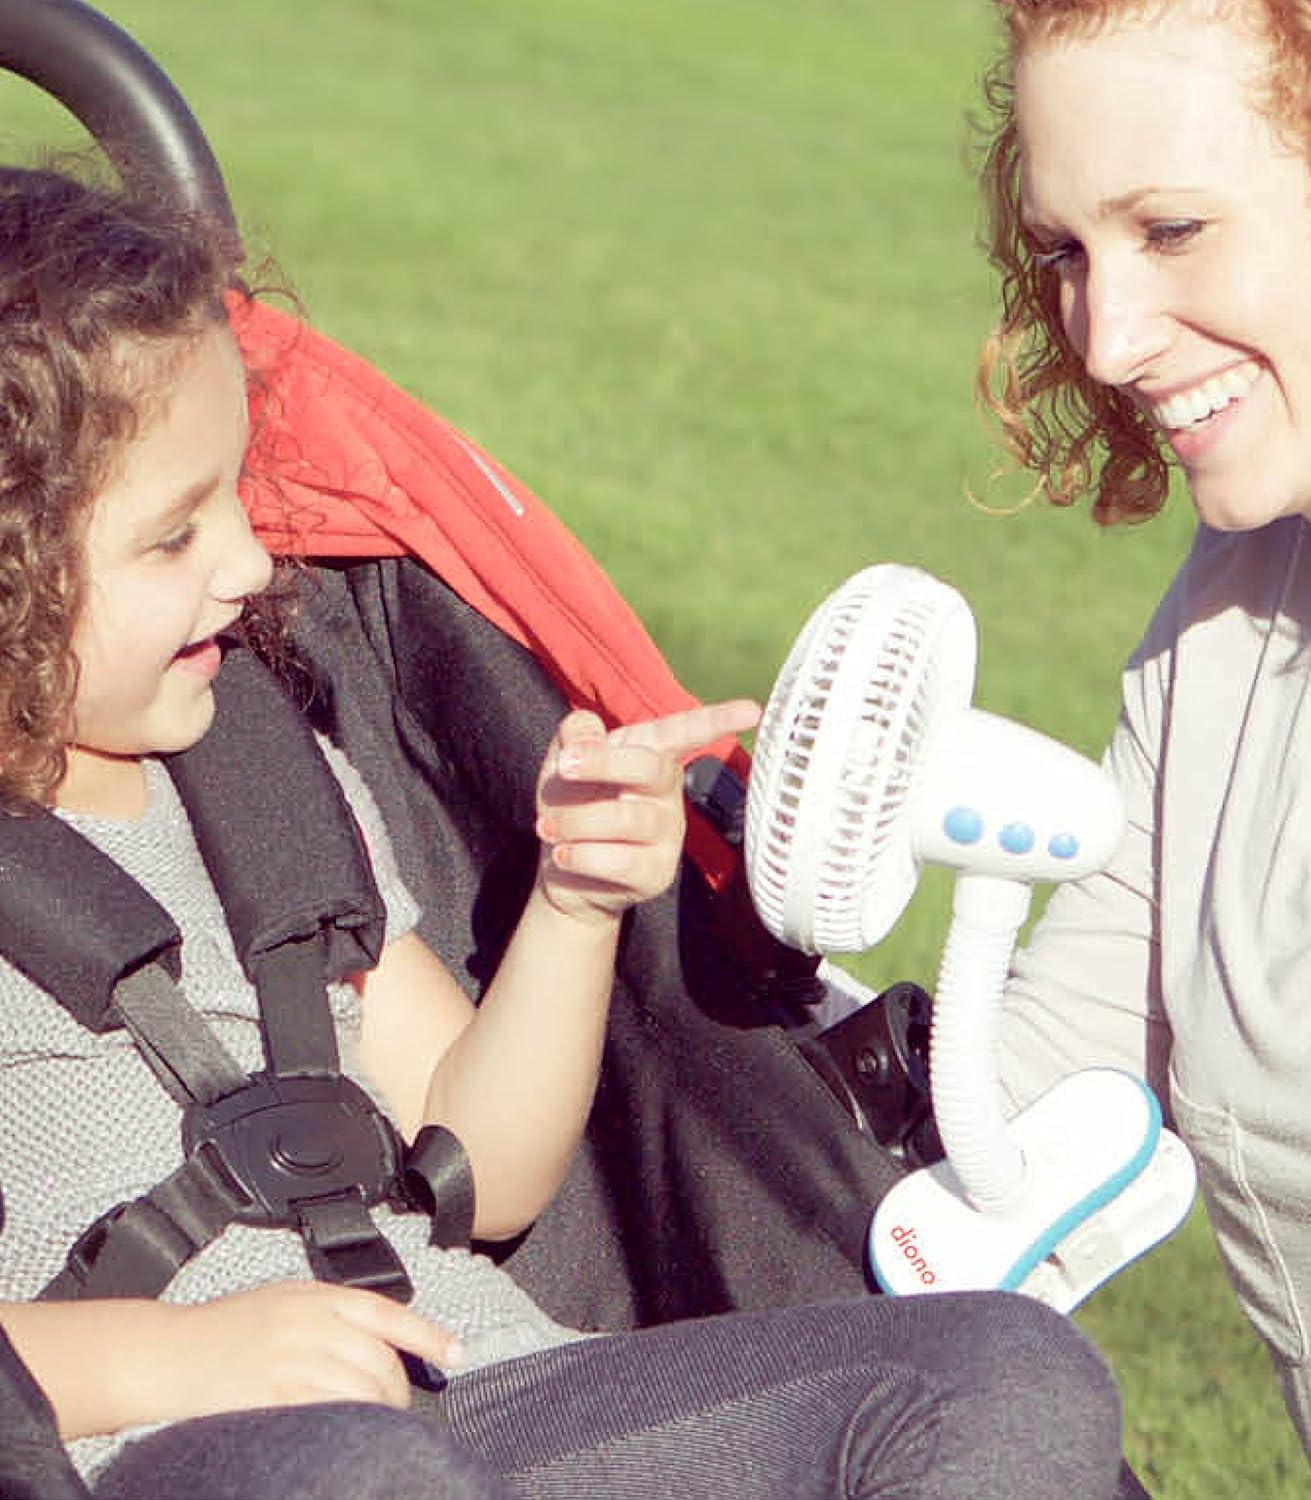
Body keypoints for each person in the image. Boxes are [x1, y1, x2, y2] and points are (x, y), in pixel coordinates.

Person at [0, 165, 1127, 1500]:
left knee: (1000, 1374)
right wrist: (171, 1361)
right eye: (176, 535)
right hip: (167, 1455)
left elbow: (488, 1167)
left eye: (240, 495)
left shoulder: (260, 776)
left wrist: (578, 906)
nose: (249, 564)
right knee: (362, 1477)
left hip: (482, 1393)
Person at [976, 0, 1311, 1496]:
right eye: (1070, 251)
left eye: (1176, 228)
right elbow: (1025, 1121)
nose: (1109, 335)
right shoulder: (1237, 611)